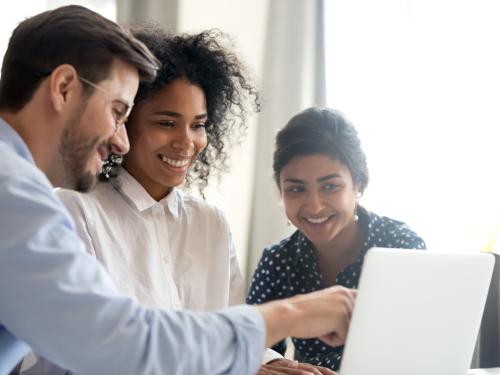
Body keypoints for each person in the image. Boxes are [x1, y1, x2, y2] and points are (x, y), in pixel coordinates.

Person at [0, 6, 356, 375]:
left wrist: (257, 361)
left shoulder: (14, 185)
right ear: (64, 89)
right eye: (118, 111)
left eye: (197, 125)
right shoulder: (19, 196)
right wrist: (296, 313)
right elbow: (118, 343)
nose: (120, 140)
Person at [247, 107, 426, 371]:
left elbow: (423, 346)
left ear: (358, 184)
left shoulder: (401, 246)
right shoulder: (277, 260)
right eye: (296, 189)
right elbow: (252, 344)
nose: (314, 206)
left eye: (330, 186)